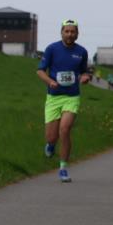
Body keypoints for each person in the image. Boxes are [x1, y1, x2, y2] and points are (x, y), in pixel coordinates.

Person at [37, 20, 91, 183]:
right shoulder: (52, 49)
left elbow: (84, 72)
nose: (69, 34)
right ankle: (51, 145)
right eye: (66, 31)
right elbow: (40, 71)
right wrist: (50, 81)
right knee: (51, 137)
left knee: (65, 130)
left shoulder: (82, 52)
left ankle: (63, 168)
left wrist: (85, 77)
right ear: (61, 32)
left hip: (72, 97)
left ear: (77, 34)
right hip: (54, 97)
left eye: (73, 31)